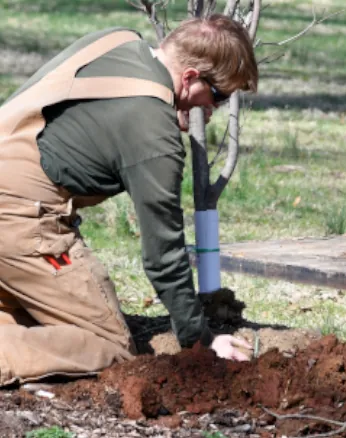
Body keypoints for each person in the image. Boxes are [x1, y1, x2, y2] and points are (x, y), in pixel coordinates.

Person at [0, 14, 258, 386]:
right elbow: (164, 256)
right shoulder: (154, 133)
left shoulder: (117, 41)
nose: (214, 109)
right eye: (217, 96)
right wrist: (199, 342)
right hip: (18, 218)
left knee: (29, 316)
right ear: (189, 78)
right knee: (108, 345)